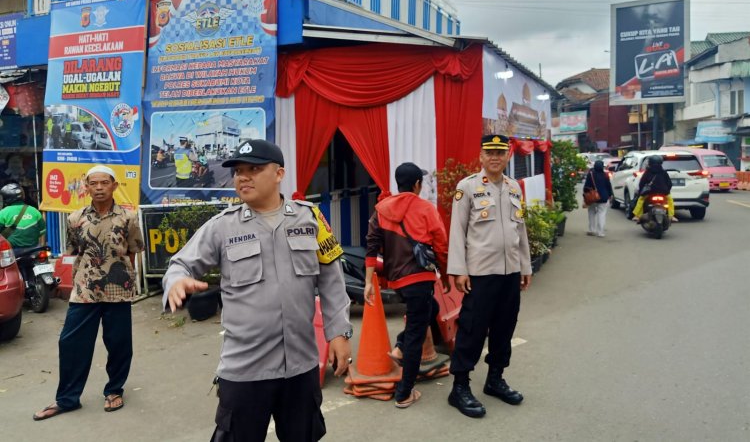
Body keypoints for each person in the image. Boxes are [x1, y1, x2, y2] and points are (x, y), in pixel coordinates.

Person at [163, 139, 352, 441]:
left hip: (301, 366)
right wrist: (175, 282)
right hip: (245, 369)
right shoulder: (222, 227)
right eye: (238, 171)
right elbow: (181, 265)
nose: (243, 177)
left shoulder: (309, 219)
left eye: (254, 169)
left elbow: (331, 280)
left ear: (279, 174)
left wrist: (339, 334)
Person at [34, 165, 144, 421]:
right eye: (93, 183)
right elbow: (75, 253)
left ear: (114, 186)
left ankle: (114, 390)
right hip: (85, 290)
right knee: (71, 342)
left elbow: (132, 251)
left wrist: (128, 281)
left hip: (118, 290)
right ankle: (67, 399)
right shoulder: (75, 218)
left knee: (118, 343)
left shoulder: (128, 218)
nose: (99, 187)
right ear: (86, 186)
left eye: (104, 183)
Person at [447, 134, 532, 419]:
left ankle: (495, 379)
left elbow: (520, 230)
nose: (495, 157)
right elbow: (457, 232)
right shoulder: (467, 187)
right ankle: (459, 387)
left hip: (509, 272)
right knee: (472, 328)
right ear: (481, 157)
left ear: (508, 156)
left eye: (500, 152)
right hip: (481, 273)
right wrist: (458, 270)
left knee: (504, 328)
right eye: (490, 152)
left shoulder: (513, 188)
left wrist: (526, 266)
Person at [364, 162, 450, 409]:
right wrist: (444, 276)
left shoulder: (381, 209)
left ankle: (401, 347)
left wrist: (369, 281)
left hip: (398, 281)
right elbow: (441, 246)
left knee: (429, 310)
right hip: (420, 278)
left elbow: (371, 245)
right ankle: (404, 392)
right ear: (417, 185)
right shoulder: (426, 208)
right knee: (416, 330)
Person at [0, 182, 46, 249]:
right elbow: (42, 231)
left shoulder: (3, 213)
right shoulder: (34, 211)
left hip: (13, 251)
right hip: (34, 249)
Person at [631, 155, 676, 222]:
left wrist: (641, 192)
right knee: (670, 201)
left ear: (650, 163)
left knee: (640, 200)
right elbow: (669, 183)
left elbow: (642, 183)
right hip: (663, 192)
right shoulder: (663, 172)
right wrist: (667, 191)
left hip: (649, 192)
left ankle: (637, 216)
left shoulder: (647, 172)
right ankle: (671, 216)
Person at [583, 160, 614, 237]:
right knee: (602, 214)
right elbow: (609, 186)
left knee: (591, 213)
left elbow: (586, 186)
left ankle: (591, 230)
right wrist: (610, 195)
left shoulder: (590, 175)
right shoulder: (605, 175)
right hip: (603, 197)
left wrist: (585, 197)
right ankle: (600, 232)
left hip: (592, 198)